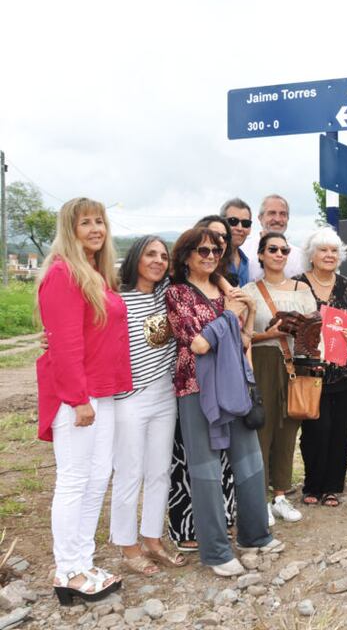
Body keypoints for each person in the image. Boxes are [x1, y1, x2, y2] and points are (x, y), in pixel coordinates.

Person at [166, 226, 281, 576]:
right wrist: (230, 314)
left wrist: (247, 319)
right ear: (186, 256)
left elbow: (243, 340)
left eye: (216, 250)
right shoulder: (178, 294)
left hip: (234, 385)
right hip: (197, 389)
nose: (211, 256)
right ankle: (216, 552)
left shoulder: (226, 288)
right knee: (206, 471)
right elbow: (198, 344)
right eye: (203, 251)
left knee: (249, 461)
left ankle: (254, 534)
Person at [38, 198, 131, 604]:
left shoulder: (96, 273)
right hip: (77, 395)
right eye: (85, 223)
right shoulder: (63, 274)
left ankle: (83, 561)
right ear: (69, 229)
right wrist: (78, 399)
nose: (95, 229)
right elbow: (65, 344)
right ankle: (67, 570)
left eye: (100, 221)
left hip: (102, 392)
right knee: (74, 479)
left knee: (97, 478)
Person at [111, 237, 185, 577]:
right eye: (150, 254)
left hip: (164, 395)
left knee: (159, 471)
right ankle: (128, 547)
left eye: (163, 256)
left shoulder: (167, 292)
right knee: (129, 472)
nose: (157, 260)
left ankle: (153, 539)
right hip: (129, 398)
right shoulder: (116, 297)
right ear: (135, 258)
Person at [242, 232, 317, 525]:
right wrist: (268, 334)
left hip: (295, 363)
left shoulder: (302, 289)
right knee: (262, 430)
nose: (278, 254)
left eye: (284, 250)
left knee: (288, 429)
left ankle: (281, 495)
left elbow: (315, 329)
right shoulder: (249, 290)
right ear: (261, 254)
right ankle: (259, 499)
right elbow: (242, 335)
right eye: (272, 249)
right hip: (262, 360)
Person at [294, 228, 347, 507]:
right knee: (315, 430)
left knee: (340, 430)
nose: (329, 255)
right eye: (323, 250)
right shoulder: (296, 285)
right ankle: (313, 484)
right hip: (311, 370)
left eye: (334, 250)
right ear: (312, 255)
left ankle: (333, 486)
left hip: (345, 369)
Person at [242, 194, 305, 280]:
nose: (277, 219)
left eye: (283, 214)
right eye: (272, 213)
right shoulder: (243, 251)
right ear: (260, 218)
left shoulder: (299, 257)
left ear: (288, 218)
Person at [220, 198, 254, 286]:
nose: (239, 228)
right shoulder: (211, 258)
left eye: (245, 223)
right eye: (233, 221)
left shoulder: (246, 262)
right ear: (221, 223)